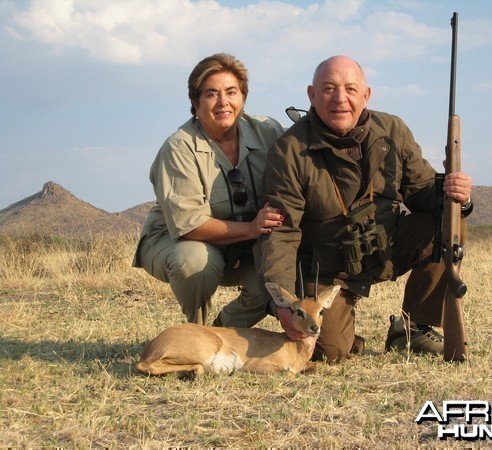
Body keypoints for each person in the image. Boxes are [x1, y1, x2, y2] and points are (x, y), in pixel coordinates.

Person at [254, 55, 473, 362]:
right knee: (328, 353)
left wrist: (455, 194)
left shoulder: (393, 130)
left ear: (366, 95)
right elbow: (280, 233)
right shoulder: (289, 149)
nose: (340, 99)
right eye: (328, 88)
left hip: (385, 252)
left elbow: (423, 191)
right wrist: (283, 305)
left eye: (350, 89)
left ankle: (414, 328)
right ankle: (345, 335)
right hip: (328, 269)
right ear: (311, 94)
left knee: (450, 223)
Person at [134, 53, 285, 327]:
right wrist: (252, 229)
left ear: (243, 97)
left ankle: (222, 331)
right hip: (179, 241)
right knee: (195, 260)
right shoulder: (179, 148)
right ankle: (195, 331)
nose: (223, 102)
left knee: (273, 278)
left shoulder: (269, 131)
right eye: (211, 94)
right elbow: (189, 226)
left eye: (231, 92)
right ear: (195, 101)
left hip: (243, 246)